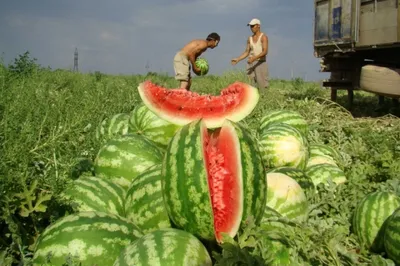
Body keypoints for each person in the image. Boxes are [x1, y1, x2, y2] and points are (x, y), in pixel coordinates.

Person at [231, 18, 269, 89]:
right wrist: (238, 59)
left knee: (262, 86)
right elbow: (247, 52)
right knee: (250, 85)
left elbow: (265, 51)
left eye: (253, 26)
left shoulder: (263, 37)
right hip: (250, 64)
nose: (251, 28)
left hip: (260, 63)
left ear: (258, 26)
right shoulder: (250, 38)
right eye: (250, 26)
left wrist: (254, 58)